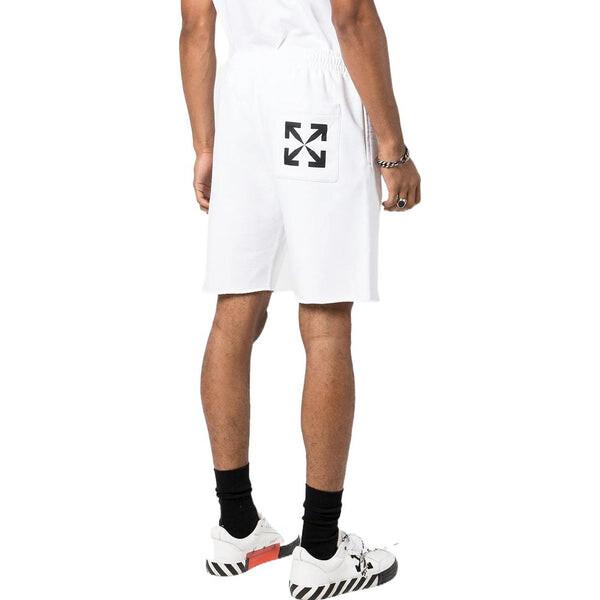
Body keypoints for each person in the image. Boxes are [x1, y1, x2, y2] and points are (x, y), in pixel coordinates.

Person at [180, 0, 421, 595]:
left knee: (235, 311)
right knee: (326, 319)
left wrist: (205, 145)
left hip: (241, 97)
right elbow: (352, 18)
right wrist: (393, 149)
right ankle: (321, 547)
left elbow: (196, 24)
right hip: (314, 95)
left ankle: (237, 526)